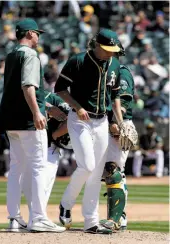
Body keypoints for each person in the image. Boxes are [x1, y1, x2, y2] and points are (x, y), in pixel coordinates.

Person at [0, 18, 65, 233]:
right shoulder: (30, 54)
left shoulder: (11, 54)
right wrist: (37, 112)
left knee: (16, 169)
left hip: (10, 120)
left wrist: (43, 107)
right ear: (29, 34)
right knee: (38, 167)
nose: (38, 36)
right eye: (37, 33)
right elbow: (28, 86)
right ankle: (38, 218)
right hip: (27, 120)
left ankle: (14, 218)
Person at [54, 29, 125, 234]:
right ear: (97, 45)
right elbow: (60, 89)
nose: (111, 53)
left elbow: (116, 95)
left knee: (96, 173)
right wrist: (77, 107)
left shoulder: (114, 64)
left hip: (102, 120)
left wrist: (120, 122)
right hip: (79, 120)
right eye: (108, 49)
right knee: (87, 165)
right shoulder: (77, 61)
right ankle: (66, 204)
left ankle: (91, 222)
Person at [99, 42, 135, 231]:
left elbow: (121, 100)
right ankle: (118, 216)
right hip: (105, 124)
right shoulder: (104, 71)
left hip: (118, 124)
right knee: (109, 172)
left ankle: (117, 218)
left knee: (113, 170)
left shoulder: (121, 71)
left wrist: (116, 123)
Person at [24, 91, 71, 229]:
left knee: (34, 185)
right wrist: (56, 134)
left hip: (36, 145)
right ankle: (38, 219)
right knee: (41, 185)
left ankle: (33, 218)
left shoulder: (49, 97)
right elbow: (71, 120)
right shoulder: (56, 98)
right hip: (45, 146)